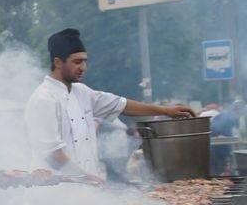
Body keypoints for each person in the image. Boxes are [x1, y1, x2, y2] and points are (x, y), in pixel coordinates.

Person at [25, 28, 194, 181]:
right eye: (77, 62)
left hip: (83, 192)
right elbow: (53, 155)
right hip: (53, 196)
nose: (84, 67)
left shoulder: (82, 92)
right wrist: (86, 177)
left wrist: (165, 110)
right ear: (57, 62)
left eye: (85, 61)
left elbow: (121, 105)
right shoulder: (44, 99)